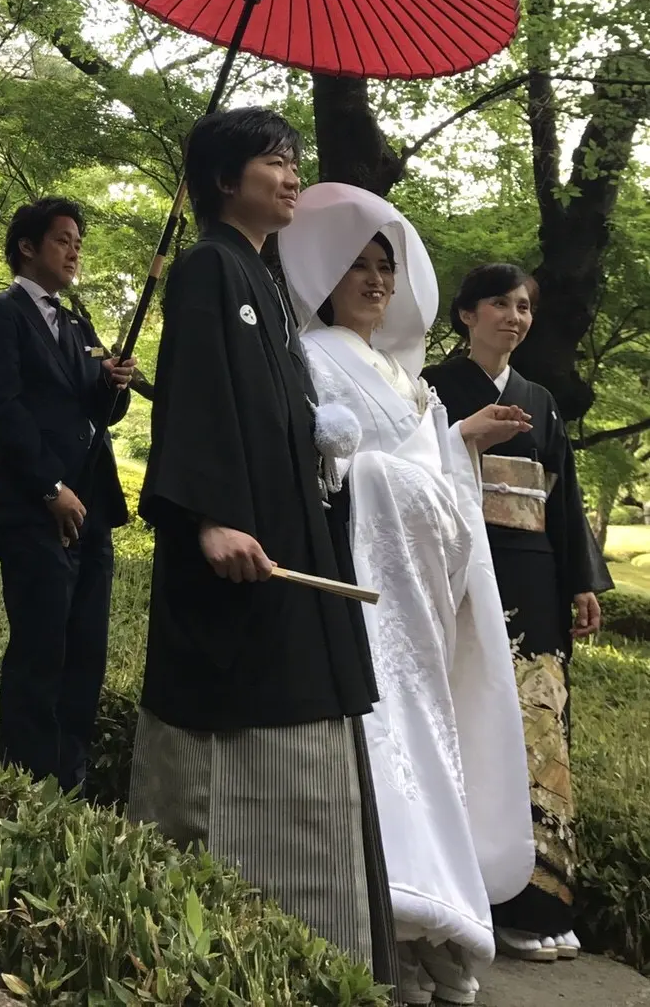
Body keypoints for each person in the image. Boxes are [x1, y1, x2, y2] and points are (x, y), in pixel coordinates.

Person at [128, 109, 398, 990]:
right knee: (243, 709)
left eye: (293, 159)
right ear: (221, 178)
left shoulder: (265, 280)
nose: (291, 175)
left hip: (286, 533)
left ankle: (317, 953)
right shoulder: (210, 266)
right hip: (237, 547)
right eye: (273, 161)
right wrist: (204, 515)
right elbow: (196, 397)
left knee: (305, 694)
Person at [280, 183, 535, 1007]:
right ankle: (396, 922)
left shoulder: (403, 374)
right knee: (385, 747)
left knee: (435, 740)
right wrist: (387, 471)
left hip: (422, 599)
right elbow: (336, 474)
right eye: (356, 264)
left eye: (385, 265)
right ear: (324, 274)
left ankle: (437, 924)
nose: (376, 279)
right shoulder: (310, 357)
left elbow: (437, 477)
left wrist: (454, 446)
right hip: (364, 593)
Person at [424, 264, 612, 966]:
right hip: (463, 573)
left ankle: (541, 899)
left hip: (534, 576)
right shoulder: (433, 389)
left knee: (539, 730)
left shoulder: (541, 400)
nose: (516, 315)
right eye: (500, 303)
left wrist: (582, 581)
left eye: (525, 305)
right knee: (468, 720)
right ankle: (471, 891)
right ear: (466, 313)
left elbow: (560, 501)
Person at [0, 196, 134, 793]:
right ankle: (26, 773)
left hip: (94, 506)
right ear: (28, 247)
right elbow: (1, 406)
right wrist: (49, 487)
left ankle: (72, 772)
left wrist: (115, 386)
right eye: (63, 239)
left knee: (86, 645)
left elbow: (99, 413)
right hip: (37, 509)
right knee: (42, 646)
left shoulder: (79, 323)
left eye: (78, 241)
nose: (74, 250)